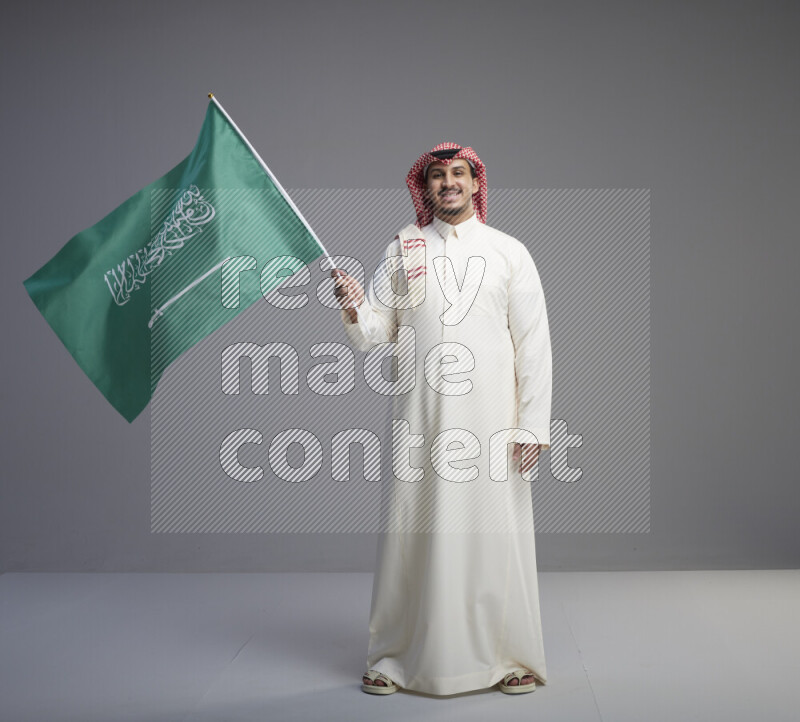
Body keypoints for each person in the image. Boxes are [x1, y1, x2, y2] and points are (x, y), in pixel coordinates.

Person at [332, 143, 552, 696]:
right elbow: (378, 331)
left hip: (492, 426)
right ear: (424, 188)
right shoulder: (403, 248)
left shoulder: (509, 252)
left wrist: (533, 424)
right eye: (437, 176)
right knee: (413, 532)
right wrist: (355, 303)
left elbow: (534, 345)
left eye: (458, 174)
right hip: (420, 423)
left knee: (492, 537)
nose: (448, 183)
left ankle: (507, 658)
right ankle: (394, 659)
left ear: (476, 184)